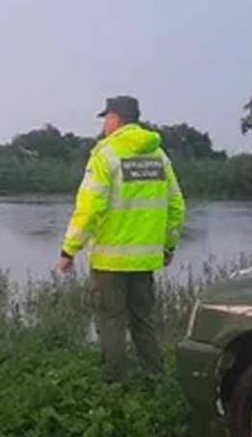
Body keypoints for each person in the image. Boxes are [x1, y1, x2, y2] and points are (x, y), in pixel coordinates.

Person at [56, 96, 186, 383]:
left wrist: (69, 250)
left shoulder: (105, 155)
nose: (104, 124)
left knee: (111, 321)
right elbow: (176, 206)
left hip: (110, 260)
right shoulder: (159, 156)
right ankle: (155, 378)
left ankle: (114, 384)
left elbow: (88, 208)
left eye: (106, 118)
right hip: (146, 259)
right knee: (143, 321)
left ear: (116, 119)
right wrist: (168, 246)